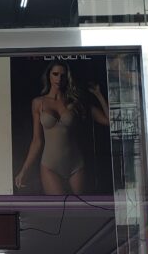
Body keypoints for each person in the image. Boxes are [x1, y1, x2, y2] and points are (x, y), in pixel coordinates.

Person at [15, 60, 110, 195]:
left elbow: (108, 121)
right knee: (58, 207)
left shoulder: (76, 102)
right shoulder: (38, 103)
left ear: (67, 78)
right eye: (55, 74)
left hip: (76, 164)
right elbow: (37, 140)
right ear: (49, 76)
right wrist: (24, 170)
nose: (59, 78)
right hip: (50, 166)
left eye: (63, 75)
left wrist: (99, 94)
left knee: (79, 206)